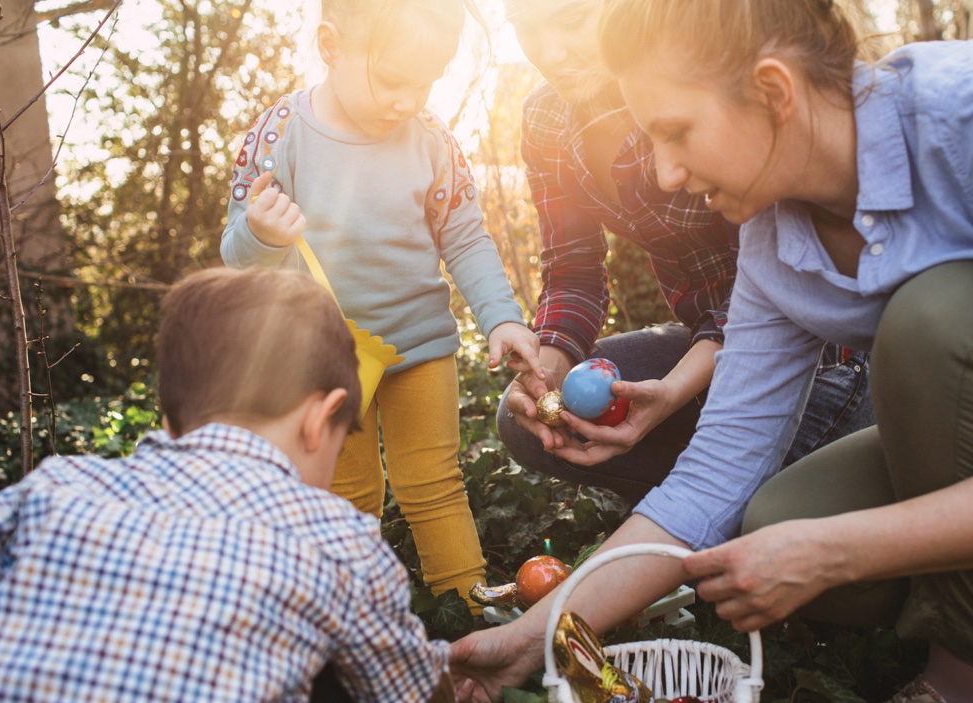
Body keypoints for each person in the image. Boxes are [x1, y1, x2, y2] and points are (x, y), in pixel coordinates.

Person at [451, 1, 973, 701]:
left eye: (675, 133)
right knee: (778, 519)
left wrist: (837, 550)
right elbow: (715, 474)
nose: (664, 174)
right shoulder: (771, 242)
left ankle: (955, 675)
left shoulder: (956, 120)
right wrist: (532, 638)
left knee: (928, 323)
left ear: (774, 91)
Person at [0, 267, 456, 702]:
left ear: (168, 418)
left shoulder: (56, 487)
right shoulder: (338, 537)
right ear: (320, 419)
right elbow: (410, 692)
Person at [220, 0, 542, 612]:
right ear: (331, 46)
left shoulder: (432, 141)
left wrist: (501, 316)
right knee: (345, 496)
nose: (408, 99)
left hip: (421, 349)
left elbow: (465, 236)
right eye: (393, 79)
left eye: (426, 80)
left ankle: (468, 614)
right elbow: (237, 258)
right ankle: (349, 621)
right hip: (323, 362)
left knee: (436, 485)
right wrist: (262, 233)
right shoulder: (278, 134)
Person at [496, 0, 874, 504]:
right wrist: (547, 371)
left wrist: (675, 393)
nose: (550, 53)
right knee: (519, 423)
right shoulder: (546, 121)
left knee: (740, 500)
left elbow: (775, 282)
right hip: (706, 343)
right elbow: (572, 269)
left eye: (570, 21)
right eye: (526, 30)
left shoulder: (703, 95)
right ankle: (717, 497)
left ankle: (740, 493)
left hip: (813, 352)